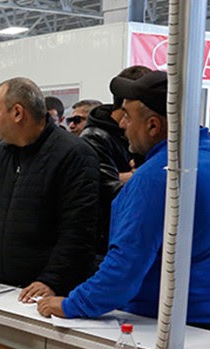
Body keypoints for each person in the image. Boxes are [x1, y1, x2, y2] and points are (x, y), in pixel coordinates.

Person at [37, 70, 210, 329]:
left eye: (128, 116)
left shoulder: (156, 177)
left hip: (158, 325)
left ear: (153, 125)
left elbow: (123, 271)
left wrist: (70, 304)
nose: (121, 124)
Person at [0, 77, 99, 299]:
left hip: (43, 294)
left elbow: (78, 231)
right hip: (0, 287)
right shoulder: (0, 154)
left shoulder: (73, 154)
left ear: (17, 113)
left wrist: (52, 279)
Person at [80, 65, 152, 259]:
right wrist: (143, 175)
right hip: (106, 246)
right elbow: (106, 190)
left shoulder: (145, 137)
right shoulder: (95, 138)